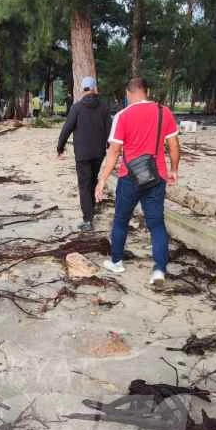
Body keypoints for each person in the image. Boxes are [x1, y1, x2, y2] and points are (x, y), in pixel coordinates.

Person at [94, 77, 180, 287]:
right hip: (156, 176)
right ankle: (159, 269)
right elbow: (174, 146)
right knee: (156, 224)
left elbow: (114, 152)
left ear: (128, 93)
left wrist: (102, 179)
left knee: (121, 220)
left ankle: (116, 261)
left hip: (129, 177)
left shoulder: (122, 116)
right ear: (146, 91)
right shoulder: (164, 112)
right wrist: (173, 170)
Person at [57, 76, 111, 231]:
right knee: (93, 180)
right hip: (98, 152)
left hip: (82, 154)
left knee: (84, 184)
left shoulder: (77, 108)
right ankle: (91, 209)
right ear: (94, 89)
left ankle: (88, 219)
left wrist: (60, 147)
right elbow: (110, 129)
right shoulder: (104, 107)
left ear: (83, 89)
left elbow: (66, 128)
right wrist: (108, 145)